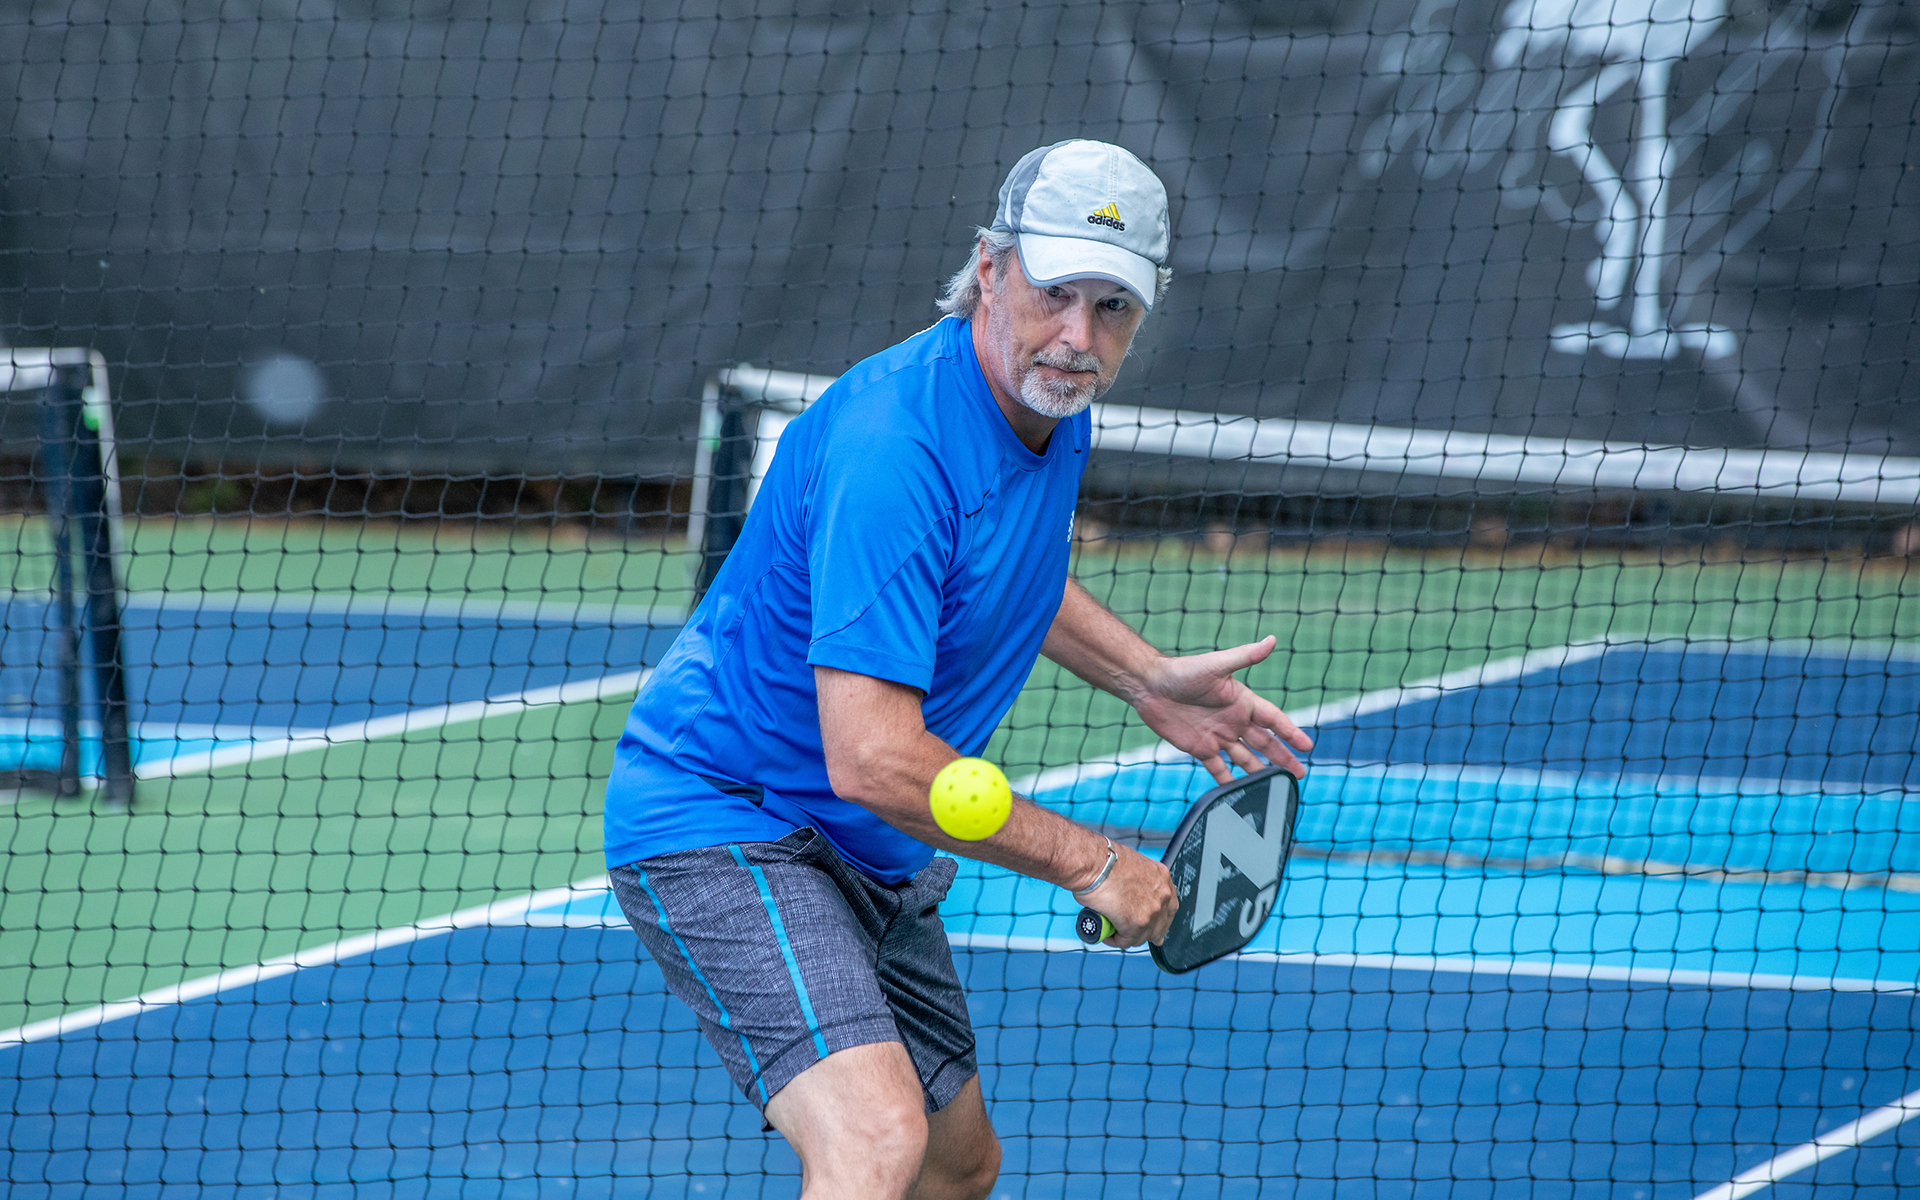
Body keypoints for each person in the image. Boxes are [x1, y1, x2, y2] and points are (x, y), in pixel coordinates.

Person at [602, 139, 1312, 1200]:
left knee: (956, 1166)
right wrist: (1092, 863)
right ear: (990, 268)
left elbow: (998, 565)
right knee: (875, 1140)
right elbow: (874, 758)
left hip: (872, 846)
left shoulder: (1047, 404)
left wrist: (1144, 678)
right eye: (1054, 292)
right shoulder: (897, 447)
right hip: (731, 818)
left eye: (1112, 307)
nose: (1078, 336)